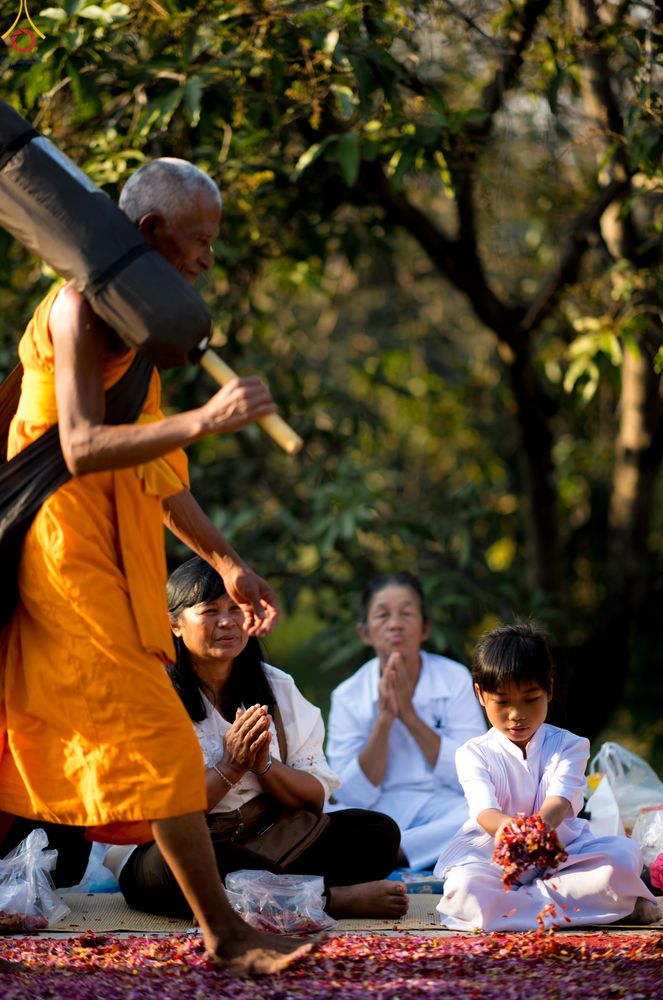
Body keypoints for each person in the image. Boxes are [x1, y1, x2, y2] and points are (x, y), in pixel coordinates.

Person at [0, 158, 317, 973]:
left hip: (120, 551)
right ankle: (227, 938)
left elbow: (155, 475)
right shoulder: (75, 309)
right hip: (63, 550)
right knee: (165, 740)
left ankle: (223, 933)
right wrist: (206, 419)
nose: (208, 260)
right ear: (148, 235)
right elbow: (79, 445)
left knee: (18, 742)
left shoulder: (140, 332)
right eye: (199, 241)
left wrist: (226, 561)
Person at [104, 556, 408, 921]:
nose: (227, 622)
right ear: (174, 623)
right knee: (181, 863)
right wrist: (230, 766)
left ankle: (271, 893)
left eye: (236, 609)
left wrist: (263, 764)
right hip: (186, 843)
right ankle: (328, 901)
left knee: (378, 833)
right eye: (210, 611)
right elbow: (161, 814)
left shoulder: (277, 686)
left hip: (269, 837)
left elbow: (313, 799)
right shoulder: (150, 694)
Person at [435, 621, 661, 931]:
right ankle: (606, 906)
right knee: (463, 890)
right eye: (502, 702)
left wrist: (538, 831)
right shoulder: (472, 753)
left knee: (624, 855)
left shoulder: (570, 745)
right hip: (494, 859)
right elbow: (484, 811)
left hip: (564, 855)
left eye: (530, 699)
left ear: (549, 690)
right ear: (480, 694)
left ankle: (518, 909)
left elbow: (558, 803)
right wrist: (509, 831)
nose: (517, 714)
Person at [326, 572, 486, 872]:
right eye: (383, 615)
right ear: (365, 632)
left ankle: (395, 853)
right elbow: (348, 793)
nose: (395, 624)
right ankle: (422, 851)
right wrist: (385, 720)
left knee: (490, 811)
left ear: (425, 628)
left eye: (407, 613)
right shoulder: (348, 695)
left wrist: (410, 717)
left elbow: (474, 772)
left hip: (442, 806)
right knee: (328, 817)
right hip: (379, 811)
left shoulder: (454, 679)